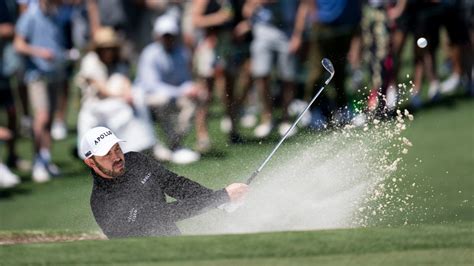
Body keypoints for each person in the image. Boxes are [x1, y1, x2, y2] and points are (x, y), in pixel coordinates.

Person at [81, 126, 249, 238]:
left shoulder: (135, 161)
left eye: (117, 149)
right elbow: (162, 214)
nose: (117, 157)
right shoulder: (104, 204)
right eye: (106, 155)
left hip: (174, 244)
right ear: (90, 162)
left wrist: (220, 200)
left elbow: (175, 184)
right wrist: (220, 197)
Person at [76, 27, 164, 160]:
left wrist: (128, 95)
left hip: (116, 102)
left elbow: (125, 81)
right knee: (124, 109)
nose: (109, 51)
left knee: (138, 96)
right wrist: (122, 97)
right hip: (96, 106)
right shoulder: (91, 61)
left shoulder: (118, 62)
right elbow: (101, 89)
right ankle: (136, 147)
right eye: (105, 48)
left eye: (111, 48)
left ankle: (148, 143)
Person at [134, 14, 202, 165]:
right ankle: (170, 145)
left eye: (170, 35)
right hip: (147, 98)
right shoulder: (150, 54)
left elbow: (184, 80)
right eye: (165, 35)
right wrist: (181, 91)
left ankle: (175, 143)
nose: (168, 38)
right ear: (158, 36)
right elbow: (151, 85)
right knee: (162, 100)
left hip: (171, 95)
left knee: (194, 100)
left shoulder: (181, 52)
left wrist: (191, 88)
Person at [14, 0, 68, 182]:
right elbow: (18, 44)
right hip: (36, 75)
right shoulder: (30, 15)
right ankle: (37, 161)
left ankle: (46, 158)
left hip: (53, 73)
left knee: (50, 119)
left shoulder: (55, 15)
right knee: (42, 117)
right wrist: (39, 53)